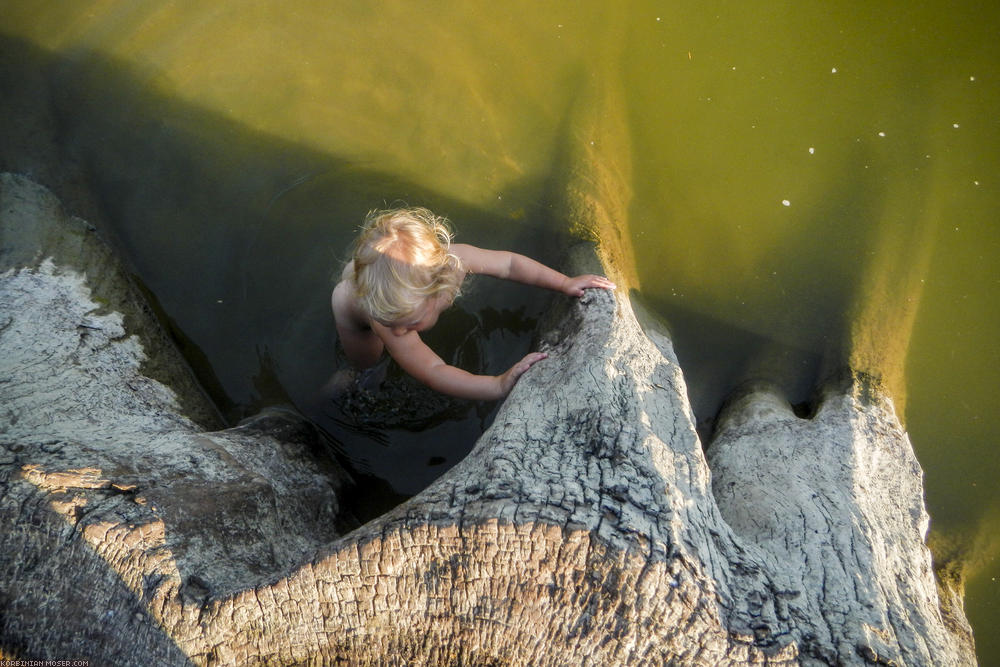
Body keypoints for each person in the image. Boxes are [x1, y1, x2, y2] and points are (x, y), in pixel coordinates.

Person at [331, 206, 615, 400]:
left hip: (380, 281)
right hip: (351, 308)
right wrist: (496, 384)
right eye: (397, 325)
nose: (402, 331)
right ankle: (344, 380)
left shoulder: (454, 261)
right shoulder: (388, 321)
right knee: (365, 367)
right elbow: (433, 371)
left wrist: (565, 283)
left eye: (411, 322)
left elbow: (510, 264)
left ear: (440, 286)